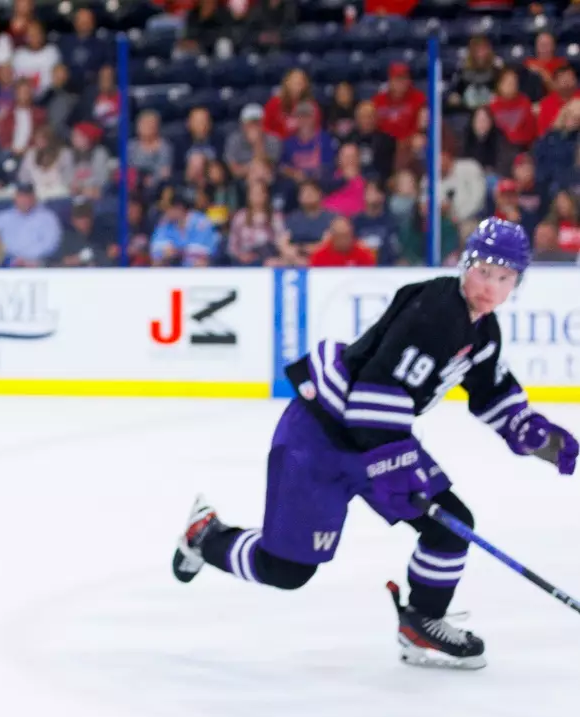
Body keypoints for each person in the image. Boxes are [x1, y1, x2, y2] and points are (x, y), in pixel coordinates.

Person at [172, 219, 576, 670]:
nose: (490, 287)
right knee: (286, 570)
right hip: (321, 436)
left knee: (450, 524)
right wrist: (394, 467)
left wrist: (536, 434)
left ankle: (422, 624)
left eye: (504, 278)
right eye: (484, 272)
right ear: (466, 265)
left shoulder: (482, 331)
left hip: (376, 438)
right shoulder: (435, 310)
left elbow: (490, 391)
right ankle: (206, 536)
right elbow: (376, 390)